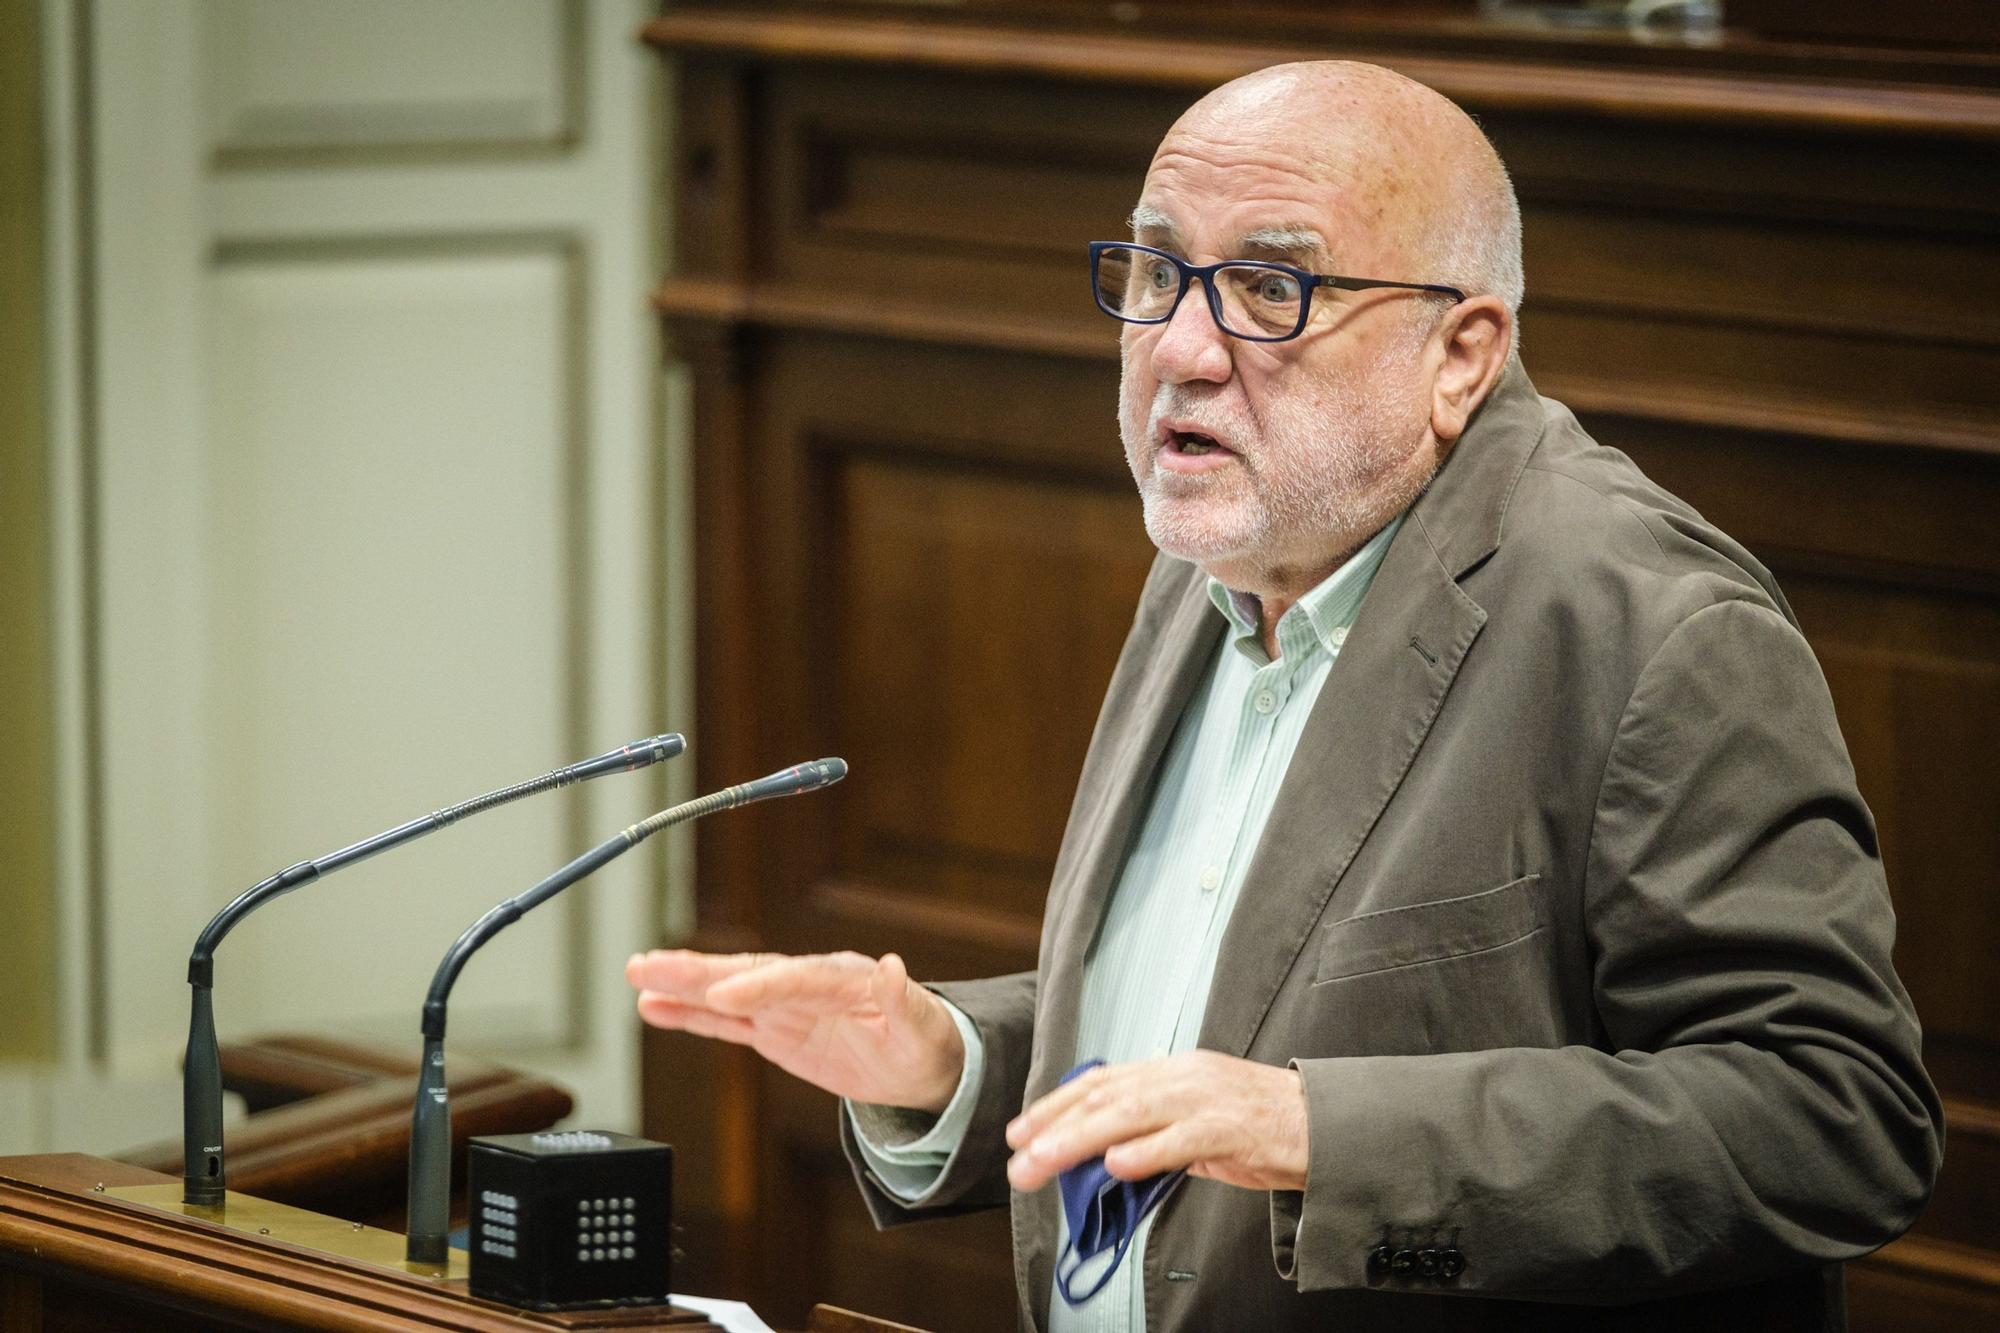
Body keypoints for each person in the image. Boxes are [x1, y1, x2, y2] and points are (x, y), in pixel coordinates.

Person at [627, 61, 1942, 1331]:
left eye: (1269, 287)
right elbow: (1232, 1014)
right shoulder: (1225, 542)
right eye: (1155, 271)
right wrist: (952, 1062)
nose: (1183, 350)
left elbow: (1833, 1116)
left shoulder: (1655, 626)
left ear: (1460, 353)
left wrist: (1320, 1133)